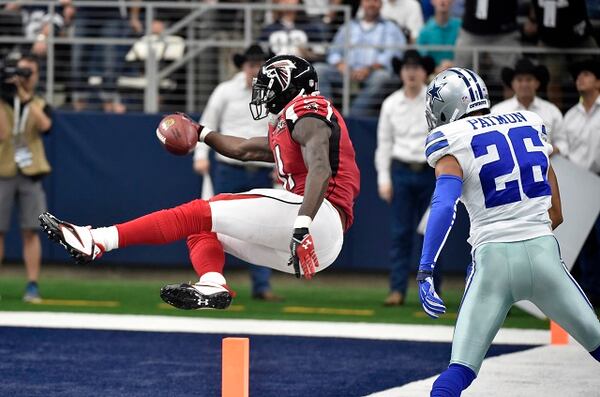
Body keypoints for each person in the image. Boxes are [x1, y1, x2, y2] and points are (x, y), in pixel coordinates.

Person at [39, 55, 361, 310]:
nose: (263, 92)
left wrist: (303, 224)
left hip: (316, 216)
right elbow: (245, 149)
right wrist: (202, 131)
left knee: (199, 211)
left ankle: (97, 240)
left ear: (290, 86)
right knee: (204, 228)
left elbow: (320, 167)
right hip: (323, 246)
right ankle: (212, 282)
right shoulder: (291, 123)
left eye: (271, 84)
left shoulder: (308, 109)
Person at [418, 67, 600, 395]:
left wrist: (426, 269)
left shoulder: (451, 139)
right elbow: (551, 188)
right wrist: (542, 221)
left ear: (448, 106)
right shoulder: (527, 121)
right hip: (544, 254)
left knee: (458, 372)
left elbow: (444, 206)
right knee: (597, 341)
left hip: (493, 262)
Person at [193, 44, 282, 302]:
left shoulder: (276, 92)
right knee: (214, 224)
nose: (255, 69)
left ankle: (262, 286)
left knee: (263, 229)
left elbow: (281, 130)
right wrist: (200, 156)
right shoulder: (225, 91)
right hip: (229, 168)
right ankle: (211, 281)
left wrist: (282, 165)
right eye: (251, 64)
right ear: (243, 65)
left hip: (262, 170)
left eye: (260, 64)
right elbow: (207, 123)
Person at [375, 49, 438, 306]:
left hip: (430, 172)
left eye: (416, 67)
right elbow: (384, 143)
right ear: (401, 72)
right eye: (407, 67)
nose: (411, 72)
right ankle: (397, 290)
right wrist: (384, 179)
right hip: (401, 171)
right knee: (401, 234)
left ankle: (432, 292)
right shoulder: (390, 103)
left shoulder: (435, 101)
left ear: (425, 72)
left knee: (433, 234)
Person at [0, 53, 53, 303]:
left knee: (31, 230)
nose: (23, 77)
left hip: (30, 171)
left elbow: (45, 126)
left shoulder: (39, 102)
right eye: (20, 71)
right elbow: (2, 133)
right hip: (3, 169)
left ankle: (32, 284)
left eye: (28, 73)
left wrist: (25, 97)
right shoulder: (3, 100)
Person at [553, 58, 600, 306]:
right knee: (584, 243)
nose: (579, 78)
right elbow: (565, 149)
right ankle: (589, 293)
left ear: (598, 80)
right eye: (578, 75)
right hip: (580, 184)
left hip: (598, 181)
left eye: (586, 74)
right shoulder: (571, 115)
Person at [315, 0, 406, 116]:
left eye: (376, 1)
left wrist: (370, 68)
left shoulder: (390, 27)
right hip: (346, 73)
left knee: (382, 77)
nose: (371, 4)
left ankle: (350, 116)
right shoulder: (349, 26)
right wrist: (340, 64)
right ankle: (327, 113)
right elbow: (333, 51)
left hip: (372, 74)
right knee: (319, 70)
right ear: (362, 3)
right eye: (368, 1)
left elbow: (393, 54)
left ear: (381, 4)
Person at [492, 57, 562, 145]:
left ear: (537, 83)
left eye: (529, 79)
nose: (524, 84)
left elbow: (562, 143)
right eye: (519, 80)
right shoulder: (497, 112)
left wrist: (548, 153)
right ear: (512, 84)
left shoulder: (552, 111)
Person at [259, 0, 327, 62]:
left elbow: (321, 55)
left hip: (304, 70)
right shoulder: (269, 29)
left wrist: (306, 53)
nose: (286, 1)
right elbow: (262, 53)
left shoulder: (310, 28)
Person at [417, 0, 461, 73]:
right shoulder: (424, 31)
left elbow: (467, 56)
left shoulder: (461, 27)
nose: (442, 1)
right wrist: (435, 69)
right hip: (433, 76)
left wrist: (453, 65)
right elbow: (421, 58)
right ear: (432, 1)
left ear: (452, 1)